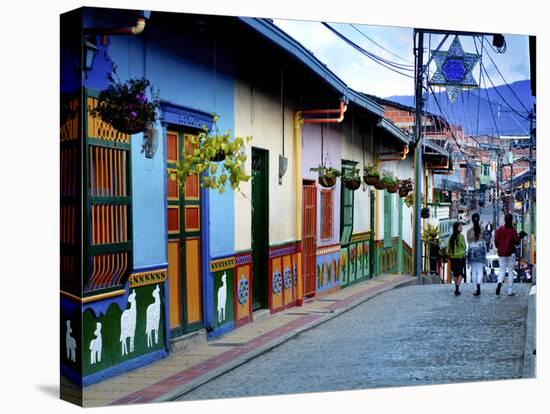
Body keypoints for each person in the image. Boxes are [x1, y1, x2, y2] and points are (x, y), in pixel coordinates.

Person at [494, 213, 522, 296]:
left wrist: (498, 247)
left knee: (502, 270)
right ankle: (510, 291)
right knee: (510, 271)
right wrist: (519, 237)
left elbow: (496, 240)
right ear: (511, 220)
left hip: (501, 253)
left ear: (505, 220)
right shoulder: (513, 230)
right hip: (511, 253)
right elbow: (516, 242)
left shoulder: (499, 229)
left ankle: (499, 282)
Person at [467, 213, 487, 296]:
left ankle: (475, 288)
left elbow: (468, 241)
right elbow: (485, 239)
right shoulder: (482, 229)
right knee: (480, 270)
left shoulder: (469, 231)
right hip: (481, 251)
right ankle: (479, 283)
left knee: (474, 271)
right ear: (478, 219)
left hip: (472, 251)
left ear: (472, 220)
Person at [448, 221, 466, 296]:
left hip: (453, 257)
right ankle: (458, 286)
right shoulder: (461, 237)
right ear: (457, 228)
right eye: (460, 226)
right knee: (460, 273)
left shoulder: (451, 237)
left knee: (455, 274)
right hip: (460, 257)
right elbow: (464, 246)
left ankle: (456, 288)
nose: (461, 228)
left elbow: (449, 248)